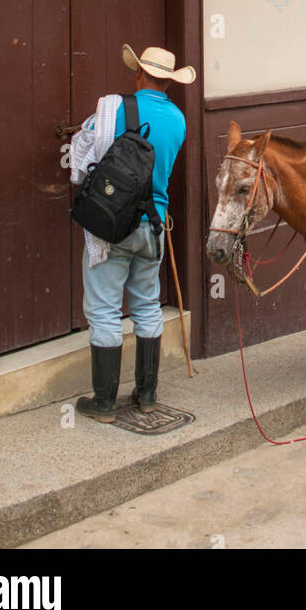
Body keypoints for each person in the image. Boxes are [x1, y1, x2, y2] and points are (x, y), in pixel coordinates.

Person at [71, 43, 196, 423]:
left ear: (139, 73)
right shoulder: (179, 120)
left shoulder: (111, 108)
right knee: (147, 306)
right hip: (154, 227)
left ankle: (105, 403)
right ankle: (147, 396)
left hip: (114, 225)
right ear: (169, 83)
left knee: (105, 310)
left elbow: (81, 158)